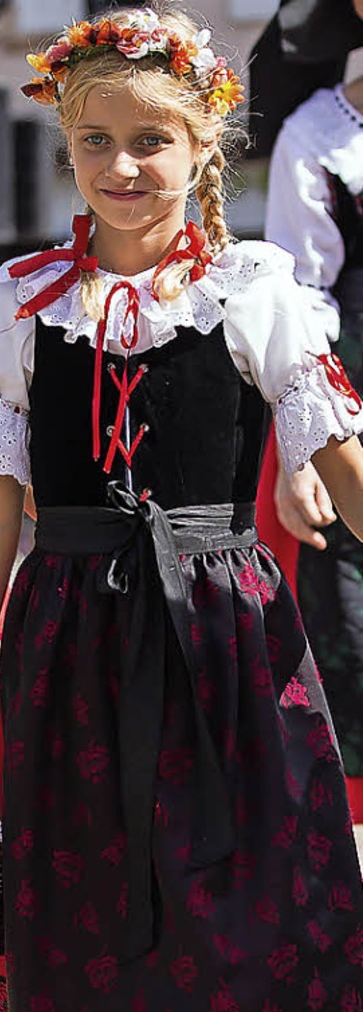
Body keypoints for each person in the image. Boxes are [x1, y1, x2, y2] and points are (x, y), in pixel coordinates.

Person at [0, 5, 363, 1012]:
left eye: (150, 141)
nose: (121, 166)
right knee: (112, 926)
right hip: (68, 652)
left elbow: (335, 457)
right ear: (66, 144)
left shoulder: (259, 288)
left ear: (204, 142)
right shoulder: (19, 306)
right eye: (96, 141)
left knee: (238, 912)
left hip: (227, 640)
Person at [252, 0, 363, 820]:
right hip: (353, 413)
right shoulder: (317, 138)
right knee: (352, 639)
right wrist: (300, 453)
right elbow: (297, 309)